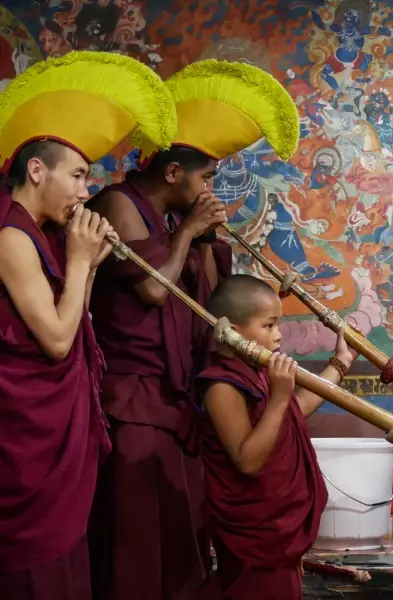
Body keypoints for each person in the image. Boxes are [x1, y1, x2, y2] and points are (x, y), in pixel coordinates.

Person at [87, 59, 302, 600]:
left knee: (184, 537)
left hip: (181, 403)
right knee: (137, 539)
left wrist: (212, 245)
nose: (213, 187)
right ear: (173, 174)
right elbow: (153, 290)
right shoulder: (119, 202)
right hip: (133, 402)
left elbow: (211, 311)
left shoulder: (173, 224)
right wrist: (187, 233)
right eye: (205, 177)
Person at [0, 50, 177, 600]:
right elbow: (54, 342)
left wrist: (89, 264)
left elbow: (75, 321)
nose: (84, 190)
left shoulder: (45, 234)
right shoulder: (10, 235)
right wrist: (80, 262)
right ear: (36, 170)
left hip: (59, 431)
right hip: (26, 440)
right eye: (77, 175)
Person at [196, 275, 359, 600]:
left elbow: (292, 413)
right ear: (230, 328)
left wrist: (341, 364)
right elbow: (248, 460)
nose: (278, 336)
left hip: (276, 539)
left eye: (278, 325)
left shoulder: (256, 373)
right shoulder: (221, 387)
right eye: (269, 325)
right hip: (256, 536)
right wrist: (281, 397)